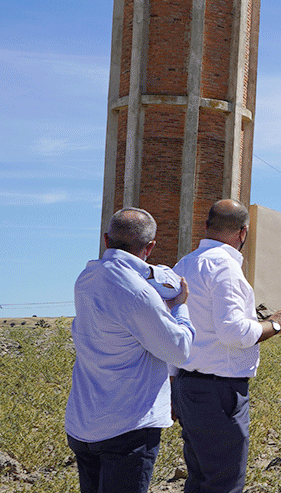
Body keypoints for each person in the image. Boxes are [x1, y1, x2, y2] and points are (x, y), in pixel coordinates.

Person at [172, 199, 281, 493]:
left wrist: (171, 381)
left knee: (200, 477)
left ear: (205, 226)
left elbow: (173, 330)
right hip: (220, 390)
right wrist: (276, 324)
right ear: (243, 232)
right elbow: (233, 333)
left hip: (186, 384)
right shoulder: (225, 268)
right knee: (224, 482)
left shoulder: (183, 265)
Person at [65, 207, 194, 493]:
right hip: (127, 426)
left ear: (106, 240)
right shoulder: (138, 292)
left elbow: (156, 277)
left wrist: (155, 276)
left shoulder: (86, 279)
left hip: (84, 419)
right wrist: (180, 307)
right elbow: (180, 349)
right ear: (150, 247)